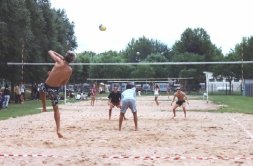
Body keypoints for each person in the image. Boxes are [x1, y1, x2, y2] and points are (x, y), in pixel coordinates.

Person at [39, 50, 75, 138]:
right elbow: (64, 83)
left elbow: (50, 51)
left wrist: (60, 56)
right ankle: (58, 129)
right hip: (55, 89)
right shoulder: (69, 70)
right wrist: (55, 76)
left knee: (41, 89)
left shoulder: (59, 61)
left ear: (65, 56)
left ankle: (44, 108)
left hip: (47, 85)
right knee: (56, 109)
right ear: (72, 61)